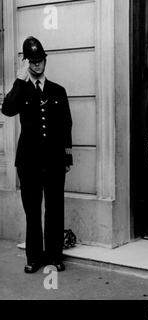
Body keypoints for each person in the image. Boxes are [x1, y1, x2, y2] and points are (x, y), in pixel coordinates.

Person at [1, 37, 73, 273]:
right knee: (32, 210)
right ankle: (34, 258)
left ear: (45, 60)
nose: (37, 65)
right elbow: (7, 109)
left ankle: (54, 256)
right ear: (26, 63)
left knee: (54, 208)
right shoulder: (21, 90)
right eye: (32, 62)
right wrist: (19, 79)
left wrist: (67, 157)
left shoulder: (57, 90)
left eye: (40, 60)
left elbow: (66, 125)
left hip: (53, 160)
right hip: (28, 161)